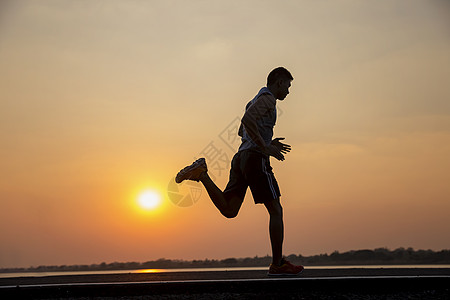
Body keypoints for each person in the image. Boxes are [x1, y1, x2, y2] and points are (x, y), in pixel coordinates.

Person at [175, 67, 304, 276]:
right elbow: (246, 122)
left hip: (241, 158)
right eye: (288, 86)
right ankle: (278, 263)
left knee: (229, 210)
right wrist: (265, 147)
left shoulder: (254, 100)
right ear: (279, 82)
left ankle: (201, 174)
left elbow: (241, 130)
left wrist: (267, 141)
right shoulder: (269, 99)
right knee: (276, 210)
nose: (288, 92)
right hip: (254, 158)